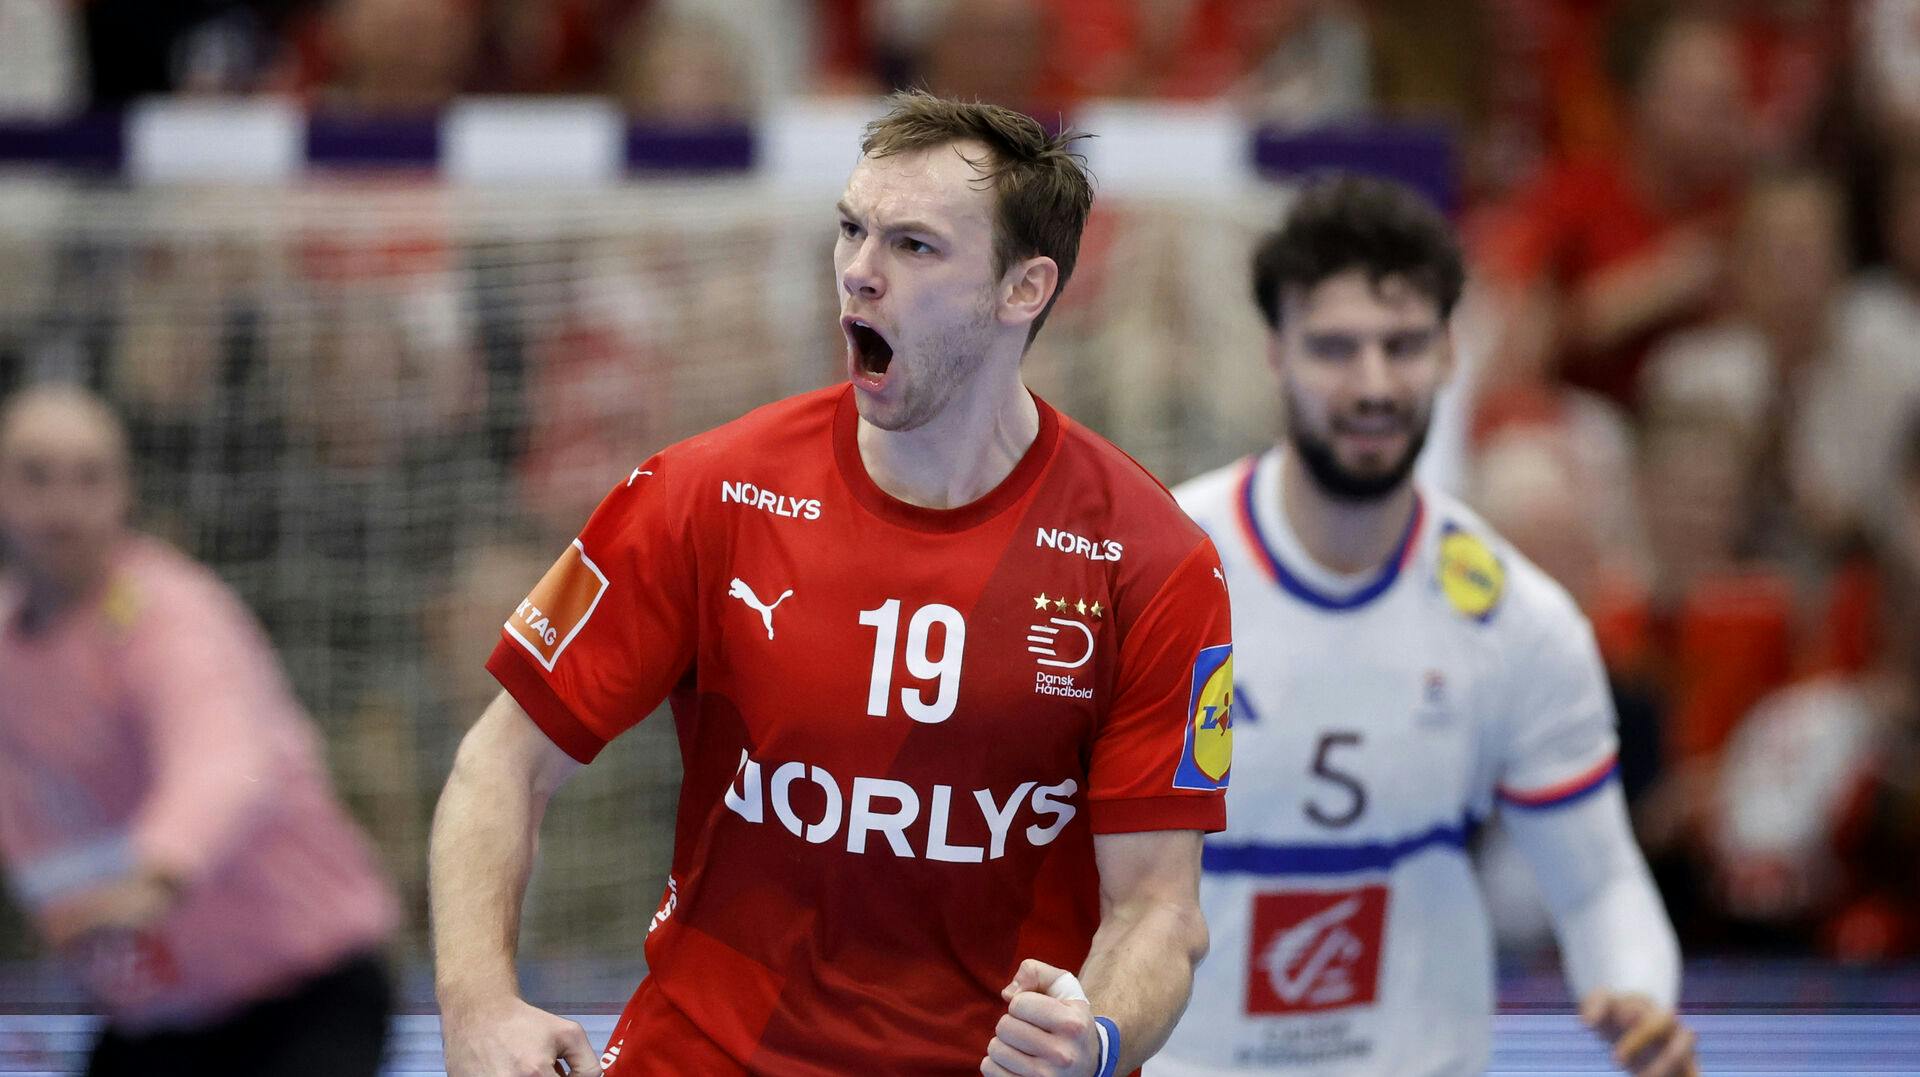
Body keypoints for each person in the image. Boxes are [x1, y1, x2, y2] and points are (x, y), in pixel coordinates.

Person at [430, 91, 1235, 1077]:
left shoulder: (1153, 559)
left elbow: (1159, 910)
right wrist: (475, 1006)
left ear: (1023, 289)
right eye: (851, 230)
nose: (858, 272)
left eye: (914, 247)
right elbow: (499, 763)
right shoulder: (704, 491)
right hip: (710, 1055)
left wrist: (1096, 1040)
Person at [1157, 176, 1696, 1076]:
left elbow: (1598, 877)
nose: (1372, 384)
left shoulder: (1516, 618)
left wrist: (1638, 993)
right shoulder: (1159, 573)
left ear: (1450, 354)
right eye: (1335, 347)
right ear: (1275, 354)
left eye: (1402, 345)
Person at [0, 385, 399, 1077]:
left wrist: (155, 875)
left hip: (303, 993)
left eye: (90, 477)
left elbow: (222, 761)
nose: (63, 506)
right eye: (36, 476)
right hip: (159, 1013)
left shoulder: (172, 616)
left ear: (124, 491)